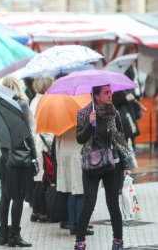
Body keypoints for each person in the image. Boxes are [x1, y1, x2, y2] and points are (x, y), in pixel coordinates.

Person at [74, 85, 135, 250]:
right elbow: (80, 139)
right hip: (91, 165)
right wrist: (89, 123)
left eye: (111, 91)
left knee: (113, 203)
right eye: (106, 92)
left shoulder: (113, 113)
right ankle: (80, 242)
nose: (110, 95)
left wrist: (125, 164)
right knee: (89, 203)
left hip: (112, 165)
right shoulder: (84, 113)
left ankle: (118, 241)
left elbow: (119, 139)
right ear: (96, 96)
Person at [0, 76, 36, 247]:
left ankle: (3, 235)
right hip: (18, 156)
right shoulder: (22, 104)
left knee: (5, 196)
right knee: (18, 197)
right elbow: (27, 132)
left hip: (4, 155)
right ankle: (15, 236)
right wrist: (34, 153)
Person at [55, 127, 94, 236]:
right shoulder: (82, 115)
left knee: (71, 191)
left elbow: (58, 137)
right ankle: (80, 226)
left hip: (64, 152)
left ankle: (72, 224)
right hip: (78, 152)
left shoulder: (61, 116)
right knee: (80, 190)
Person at [29, 76, 54, 223]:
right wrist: (51, 145)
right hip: (43, 145)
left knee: (39, 178)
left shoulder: (34, 101)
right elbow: (46, 127)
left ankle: (37, 211)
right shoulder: (45, 101)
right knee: (44, 179)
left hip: (36, 144)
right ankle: (41, 211)